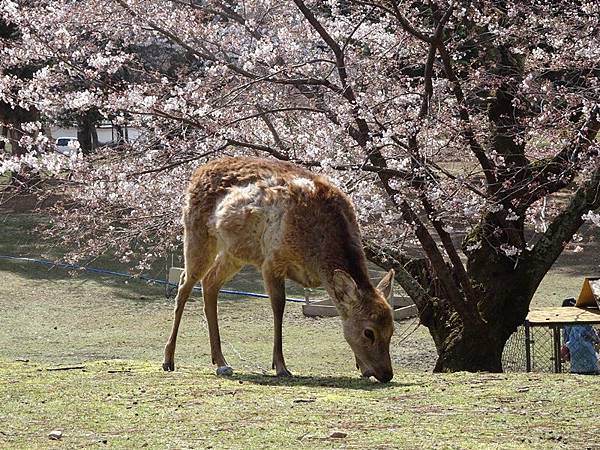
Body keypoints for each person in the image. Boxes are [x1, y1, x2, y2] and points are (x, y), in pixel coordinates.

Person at [561, 298, 600, 375]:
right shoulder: (584, 323)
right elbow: (595, 337)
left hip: (574, 361)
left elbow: (565, 340)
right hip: (590, 359)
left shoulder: (565, 325)